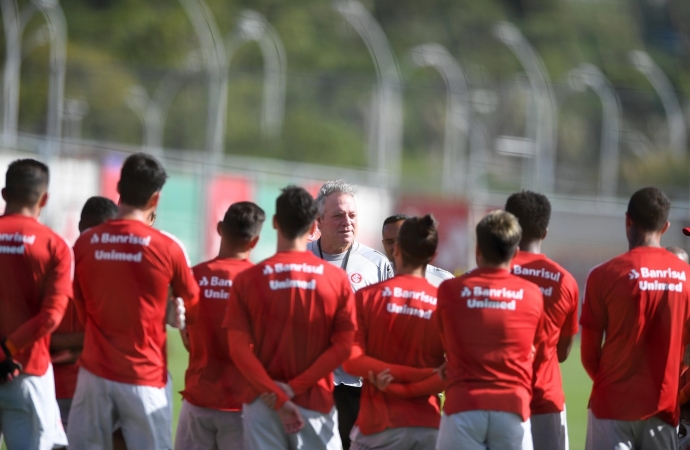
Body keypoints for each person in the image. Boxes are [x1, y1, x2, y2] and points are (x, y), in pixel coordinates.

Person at [67, 153, 200, 450]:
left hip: (94, 374)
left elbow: (80, 304)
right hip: (144, 376)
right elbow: (193, 306)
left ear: (119, 187)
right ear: (155, 199)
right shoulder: (168, 248)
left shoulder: (86, 243)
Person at [225, 185, 356, 450]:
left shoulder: (248, 279)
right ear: (312, 226)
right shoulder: (335, 280)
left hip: (262, 403)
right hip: (314, 402)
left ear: (274, 223)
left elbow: (238, 349)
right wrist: (294, 389)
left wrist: (277, 395)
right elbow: (344, 346)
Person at [581, 187, 690, 449]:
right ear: (665, 227)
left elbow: (588, 355)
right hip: (663, 408)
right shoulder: (686, 277)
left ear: (628, 220)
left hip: (611, 407)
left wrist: (618, 388)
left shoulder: (603, 275)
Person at [436, 210, 545, 450]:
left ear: (477, 250)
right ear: (516, 253)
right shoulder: (532, 294)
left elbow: (444, 344)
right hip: (512, 409)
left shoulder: (449, 291)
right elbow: (536, 351)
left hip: (463, 407)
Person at [342, 215, 446, 449]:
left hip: (377, 428)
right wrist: (413, 384)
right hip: (428, 427)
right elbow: (453, 371)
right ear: (433, 255)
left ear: (396, 249)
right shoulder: (443, 303)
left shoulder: (367, 298)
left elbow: (350, 361)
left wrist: (392, 382)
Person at [308, 180, 393, 449]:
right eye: (337, 215)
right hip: (310, 382)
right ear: (318, 221)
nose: (347, 222)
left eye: (352, 215)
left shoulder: (377, 263)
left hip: (357, 384)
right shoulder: (301, 258)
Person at [175, 201, 265, 450]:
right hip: (243, 405)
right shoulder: (261, 282)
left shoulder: (193, 276)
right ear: (254, 241)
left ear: (219, 229)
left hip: (198, 397)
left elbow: (186, 339)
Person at [0, 159, 72, 450]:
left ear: (4, 194)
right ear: (44, 198)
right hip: (27, 372)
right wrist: (7, 349)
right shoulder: (55, 245)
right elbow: (52, 316)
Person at [504, 191, 579, 450]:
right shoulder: (564, 280)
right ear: (545, 232)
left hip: (499, 401)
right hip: (546, 399)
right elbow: (563, 353)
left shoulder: (491, 273)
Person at [50, 196, 118, 432]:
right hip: (94, 388)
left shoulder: (53, 262)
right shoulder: (117, 275)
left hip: (49, 384)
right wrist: (88, 341)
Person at [381, 214, 454, 286]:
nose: (395, 246)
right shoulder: (374, 275)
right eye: (390, 242)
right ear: (383, 243)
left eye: (401, 240)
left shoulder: (443, 280)